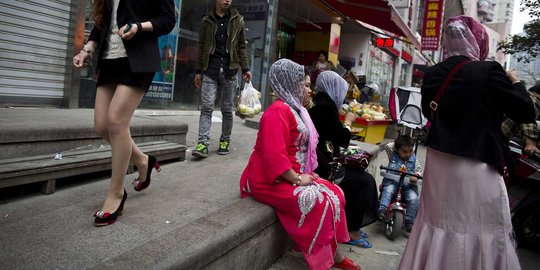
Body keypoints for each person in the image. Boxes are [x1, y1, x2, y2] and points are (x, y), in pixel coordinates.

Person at [398, 16, 535, 269]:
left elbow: (431, 116)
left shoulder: (432, 73)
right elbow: (526, 111)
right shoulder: (488, 71)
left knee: (437, 225)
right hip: (475, 165)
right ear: (478, 41)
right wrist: (515, 81)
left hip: (439, 164)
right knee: (477, 231)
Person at [239, 59, 360, 270]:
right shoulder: (277, 111)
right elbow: (273, 156)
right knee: (319, 201)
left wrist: (303, 175)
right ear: (290, 84)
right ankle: (322, 261)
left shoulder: (295, 109)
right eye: (304, 85)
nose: (309, 90)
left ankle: (334, 254)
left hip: (290, 174)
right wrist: (297, 178)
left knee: (336, 192)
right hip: (270, 179)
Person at [72, 0, 175, 226]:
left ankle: (116, 194)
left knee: (116, 121)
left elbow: (168, 20)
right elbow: (102, 25)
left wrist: (139, 27)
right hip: (109, 62)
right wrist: (86, 51)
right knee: (101, 125)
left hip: (137, 59)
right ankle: (143, 161)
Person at [308, 70, 379, 248]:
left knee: (361, 177)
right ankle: (351, 232)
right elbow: (343, 139)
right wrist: (348, 121)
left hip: (320, 162)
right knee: (364, 181)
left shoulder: (321, 103)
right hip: (321, 169)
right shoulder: (326, 108)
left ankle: (347, 226)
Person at [192, 0, 252, 158]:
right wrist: (198, 71)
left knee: (226, 110)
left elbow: (241, 47)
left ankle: (225, 140)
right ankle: (202, 143)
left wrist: (245, 69)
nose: (228, 0)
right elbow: (201, 46)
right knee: (206, 108)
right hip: (209, 70)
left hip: (230, 70)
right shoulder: (207, 21)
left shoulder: (238, 20)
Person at [377, 135, 422, 232]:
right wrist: (398, 142)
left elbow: (419, 171)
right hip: (393, 182)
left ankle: (409, 220)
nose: (408, 154)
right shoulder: (392, 155)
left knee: (414, 198)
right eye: (404, 151)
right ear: (397, 149)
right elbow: (387, 146)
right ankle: (382, 210)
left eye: (410, 151)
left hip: (407, 185)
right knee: (388, 190)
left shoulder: (414, 159)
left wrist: (416, 175)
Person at [501, 83, 540, 155]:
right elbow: (528, 119)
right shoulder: (533, 100)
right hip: (493, 138)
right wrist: (531, 144)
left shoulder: (520, 96)